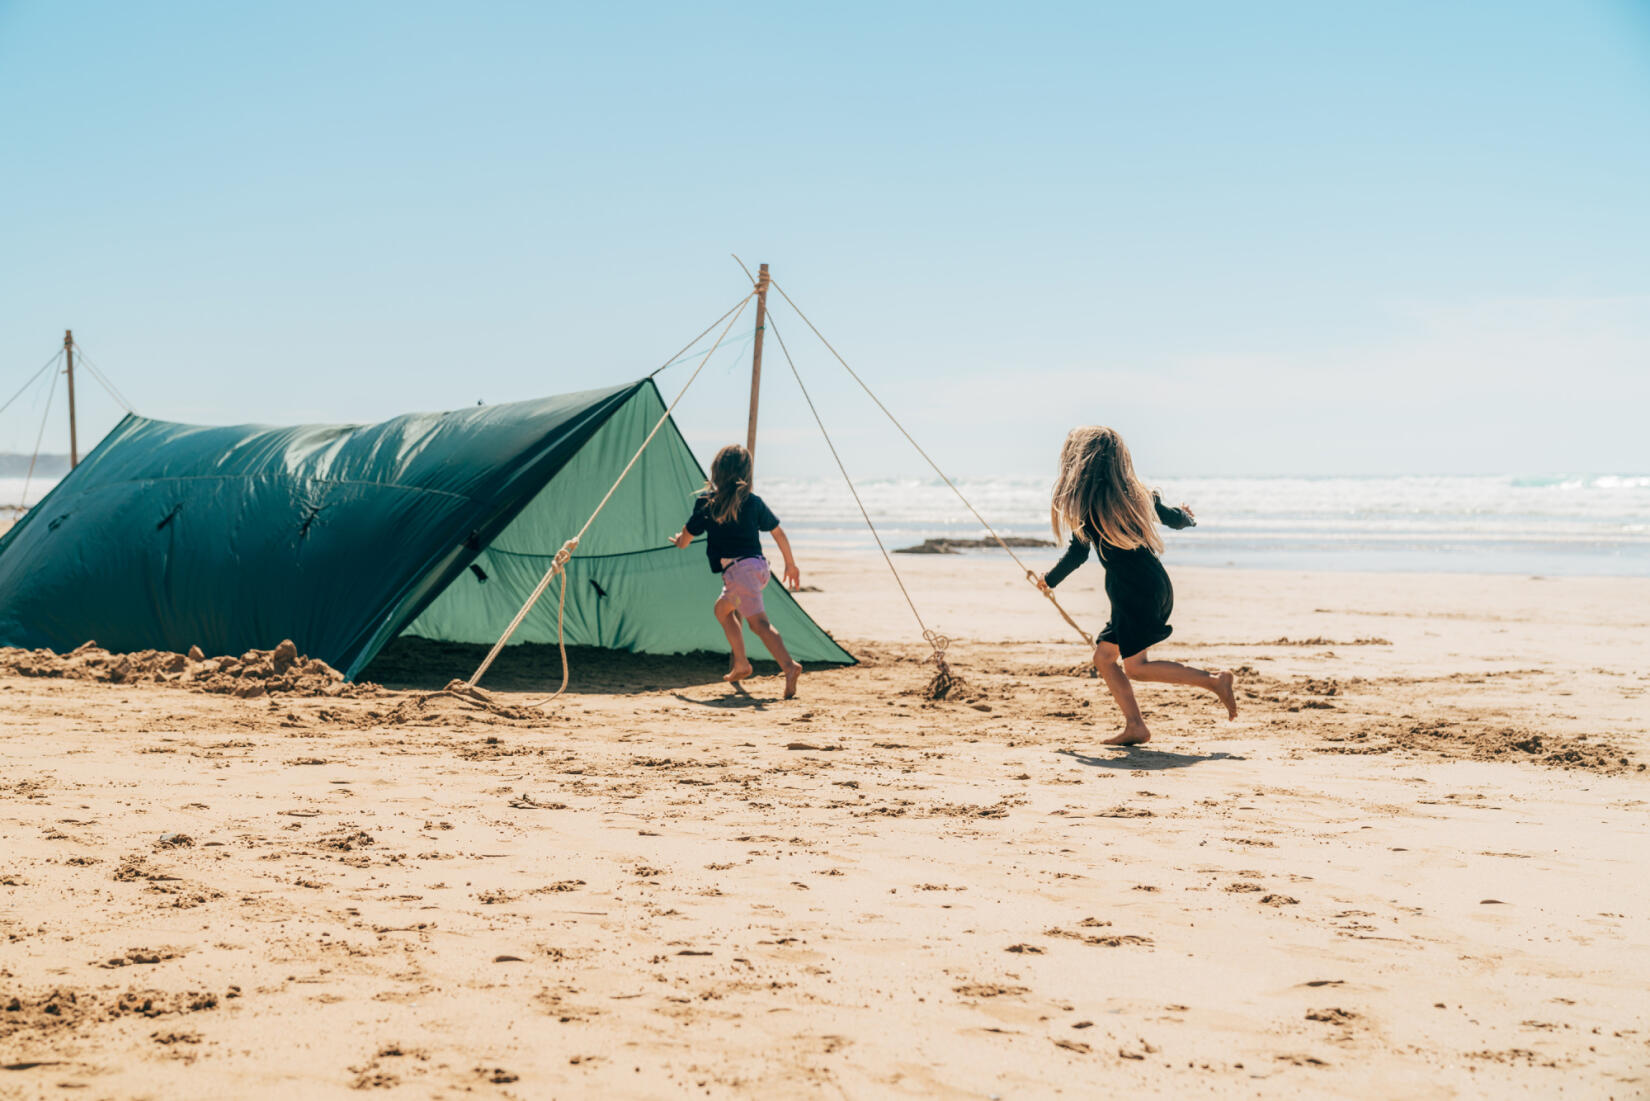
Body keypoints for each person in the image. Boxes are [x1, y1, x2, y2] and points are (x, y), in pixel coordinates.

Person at [1036, 426, 1237, 745]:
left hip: (1133, 592)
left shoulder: (1087, 508)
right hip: (1150, 585)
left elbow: (1077, 553)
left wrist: (1049, 581)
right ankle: (1135, 727)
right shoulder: (1137, 496)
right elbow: (1174, 518)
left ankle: (1214, 682)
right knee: (1103, 659)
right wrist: (1189, 518)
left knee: (1137, 667)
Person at [670, 444, 804, 698]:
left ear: (716, 472)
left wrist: (679, 539)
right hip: (756, 568)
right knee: (722, 610)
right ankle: (741, 664)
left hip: (740, 571)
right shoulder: (752, 502)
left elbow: (685, 539)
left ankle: (788, 666)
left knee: (759, 624)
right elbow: (777, 531)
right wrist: (790, 563)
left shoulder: (708, 503)